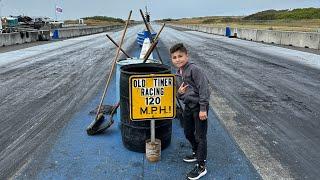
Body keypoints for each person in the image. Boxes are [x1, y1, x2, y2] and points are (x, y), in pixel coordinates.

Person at [170, 43, 210, 180]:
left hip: (199, 107)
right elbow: (180, 95)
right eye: (174, 57)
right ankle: (195, 152)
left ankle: (201, 166)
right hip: (189, 106)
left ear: (187, 55)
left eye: (180, 56)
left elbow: (204, 88)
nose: (178, 60)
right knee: (187, 132)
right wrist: (179, 93)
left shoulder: (194, 69)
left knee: (200, 136)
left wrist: (203, 108)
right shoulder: (177, 74)